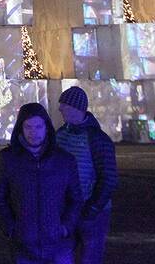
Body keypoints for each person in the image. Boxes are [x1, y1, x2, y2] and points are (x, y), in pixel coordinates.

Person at [0, 103, 83, 264]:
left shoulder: (64, 161)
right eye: (28, 127)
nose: (33, 132)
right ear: (21, 128)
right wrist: (11, 227)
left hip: (59, 244)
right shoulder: (9, 159)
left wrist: (66, 227)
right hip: (23, 245)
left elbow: (75, 199)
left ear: (46, 128)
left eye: (38, 126)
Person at [55, 86, 117, 264]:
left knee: (89, 256)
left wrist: (93, 208)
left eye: (64, 106)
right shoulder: (61, 134)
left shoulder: (97, 139)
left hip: (91, 211)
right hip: (67, 210)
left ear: (76, 108)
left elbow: (109, 178)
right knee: (64, 255)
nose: (60, 109)